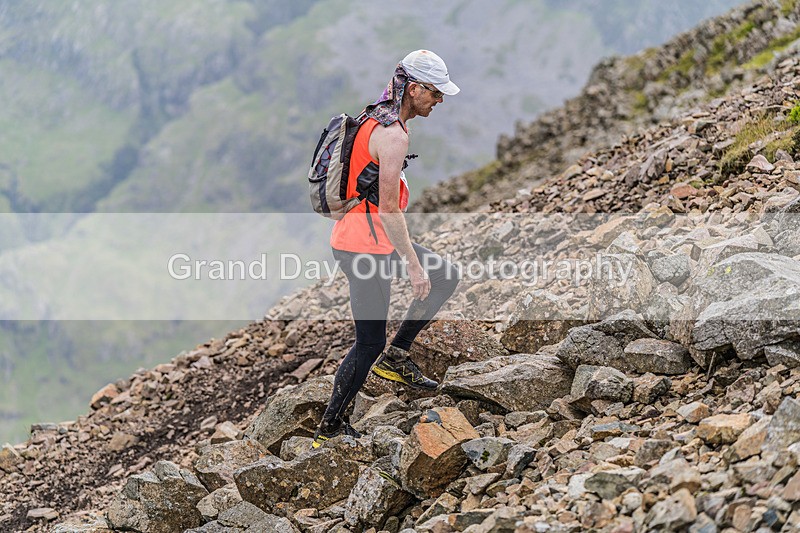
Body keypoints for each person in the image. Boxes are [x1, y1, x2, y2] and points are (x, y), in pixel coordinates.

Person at [312, 50, 461, 448]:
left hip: (371, 242)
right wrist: (413, 264)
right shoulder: (393, 134)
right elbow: (390, 209)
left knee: (446, 275)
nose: (440, 100)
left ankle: (397, 360)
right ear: (413, 89)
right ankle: (328, 429)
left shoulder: (372, 115)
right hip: (365, 249)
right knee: (368, 343)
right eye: (435, 92)